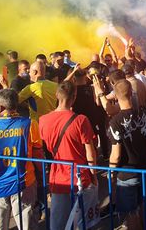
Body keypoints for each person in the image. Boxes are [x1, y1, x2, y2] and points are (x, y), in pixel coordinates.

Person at [0, 89, 44, 230]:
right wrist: (42, 175)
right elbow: (38, 154)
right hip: (24, 183)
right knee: (27, 225)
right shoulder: (30, 124)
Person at [39, 81, 98, 230]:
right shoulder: (81, 120)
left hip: (57, 176)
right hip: (80, 176)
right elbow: (90, 151)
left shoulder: (43, 120)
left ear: (57, 95)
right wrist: (94, 174)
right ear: (74, 96)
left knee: (58, 222)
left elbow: (44, 148)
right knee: (84, 222)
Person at [108, 80, 146, 230]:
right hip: (144, 167)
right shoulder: (144, 112)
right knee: (143, 205)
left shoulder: (115, 122)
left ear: (115, 97)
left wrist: (111, 173)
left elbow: (116, 155)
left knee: (130, 213)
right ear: (131, 93)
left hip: (127, 173)